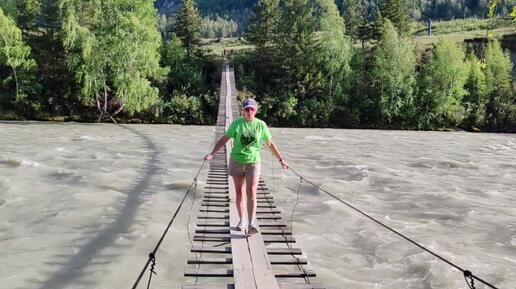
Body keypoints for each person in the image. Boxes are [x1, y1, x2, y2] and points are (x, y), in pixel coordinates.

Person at [204, 98, 288, 234]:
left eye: (252, 109)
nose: (249, 112)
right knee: (239, 192)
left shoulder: (261, 125)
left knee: (252, 193)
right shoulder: (236, 124)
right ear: (243, 110)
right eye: (247, 109)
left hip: (253, 162)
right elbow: (224, 139)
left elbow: (270, 144)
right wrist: (212, 154)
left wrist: (281, 159)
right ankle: (242, 220)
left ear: (256, 110)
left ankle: (251, 222)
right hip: (237, 160)